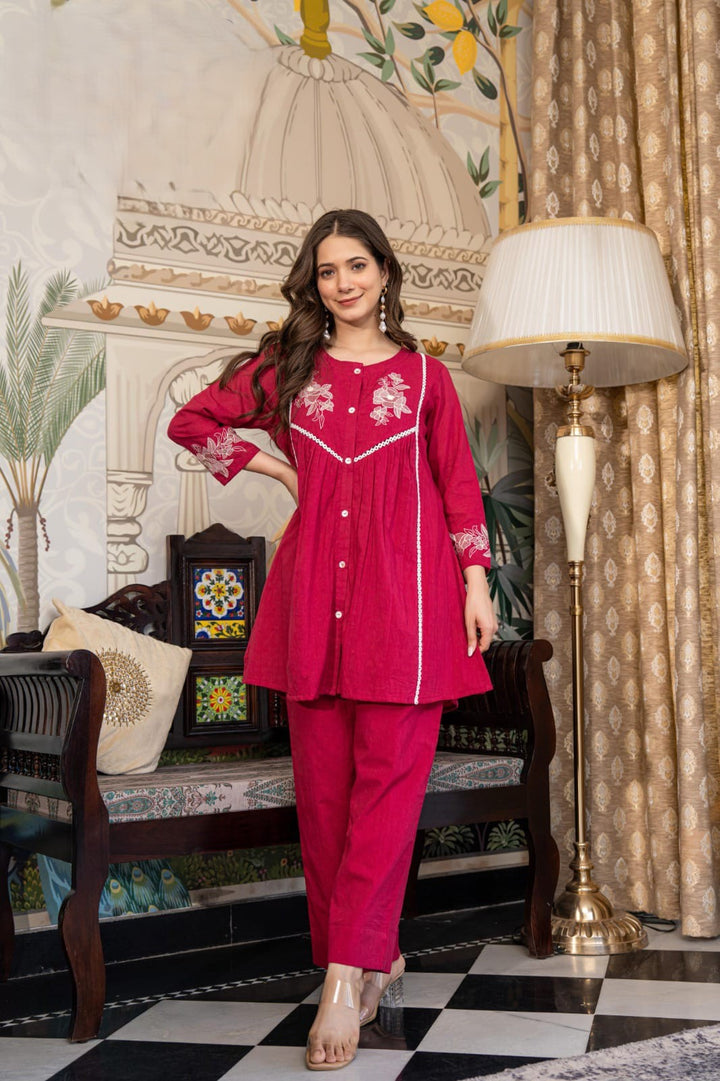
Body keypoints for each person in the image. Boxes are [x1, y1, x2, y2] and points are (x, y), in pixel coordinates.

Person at [167, 208, 497, 1071]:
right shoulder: (289, 367)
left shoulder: (426, 379)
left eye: (357, 265)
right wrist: (273, 465)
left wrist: (476, 586)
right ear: (314, 284)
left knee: (388, 794)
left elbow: (460, 490)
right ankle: (368, 953)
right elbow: (192, 423)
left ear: (385, 272)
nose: (343, 283)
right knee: (324, 796)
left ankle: (343, 978)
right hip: (314, 599)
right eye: (327, 271)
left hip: (410, 606)